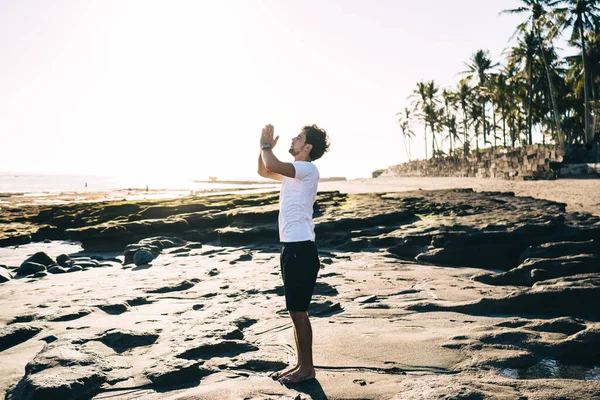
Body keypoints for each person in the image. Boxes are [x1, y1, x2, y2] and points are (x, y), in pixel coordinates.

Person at [257, 123, 330, 384]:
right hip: (291, 247)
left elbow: (273, 164)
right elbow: (264, 170)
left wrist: (267, 147)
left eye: (298, 137)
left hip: (301, 249)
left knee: (299, 312)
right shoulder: (294, 174)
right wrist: (262, 148)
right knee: (294, 311)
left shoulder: (307, 168)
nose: (294, 138)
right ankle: (301, 364)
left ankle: (307, 369)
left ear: (307, 147)